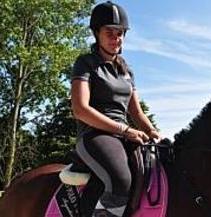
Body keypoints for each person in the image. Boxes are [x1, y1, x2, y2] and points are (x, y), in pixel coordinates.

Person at [71, 1, 161, 216]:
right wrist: (124, 130)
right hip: (95, 135)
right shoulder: (85, 63)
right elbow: (80, 109)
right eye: (109, 32)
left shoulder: (127, 70)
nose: (116, 38)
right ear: (96, 33)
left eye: (120, 33)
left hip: (124, 135)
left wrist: (152, 132)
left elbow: (136, 112)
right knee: (121, 180)